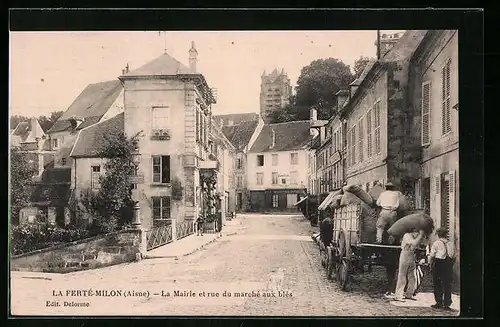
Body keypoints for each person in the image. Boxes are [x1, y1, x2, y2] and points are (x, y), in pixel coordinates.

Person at [391, 228, 425, 301]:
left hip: (412, 255)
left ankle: (409, 294)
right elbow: (413, 243)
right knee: (402, 276)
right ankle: (398, 295)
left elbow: (419, 245)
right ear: (413, 232)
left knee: (413, 276)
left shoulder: (415, 237)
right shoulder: (407, 236)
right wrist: (420, 236)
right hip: (405, 254)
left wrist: (421, 238)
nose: (417, 235)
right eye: (416, 233)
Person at [428, 227, 455, 310]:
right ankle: (447, 304)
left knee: (437, 283)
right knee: (447, 284)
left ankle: (439, 302)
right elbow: (454, 256)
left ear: (438, 235)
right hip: (448, 263)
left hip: (439, 263)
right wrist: (450, 264)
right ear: (446, 235)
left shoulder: (436, 243)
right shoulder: (451, 243)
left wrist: (430, 264)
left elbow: (432, 255)